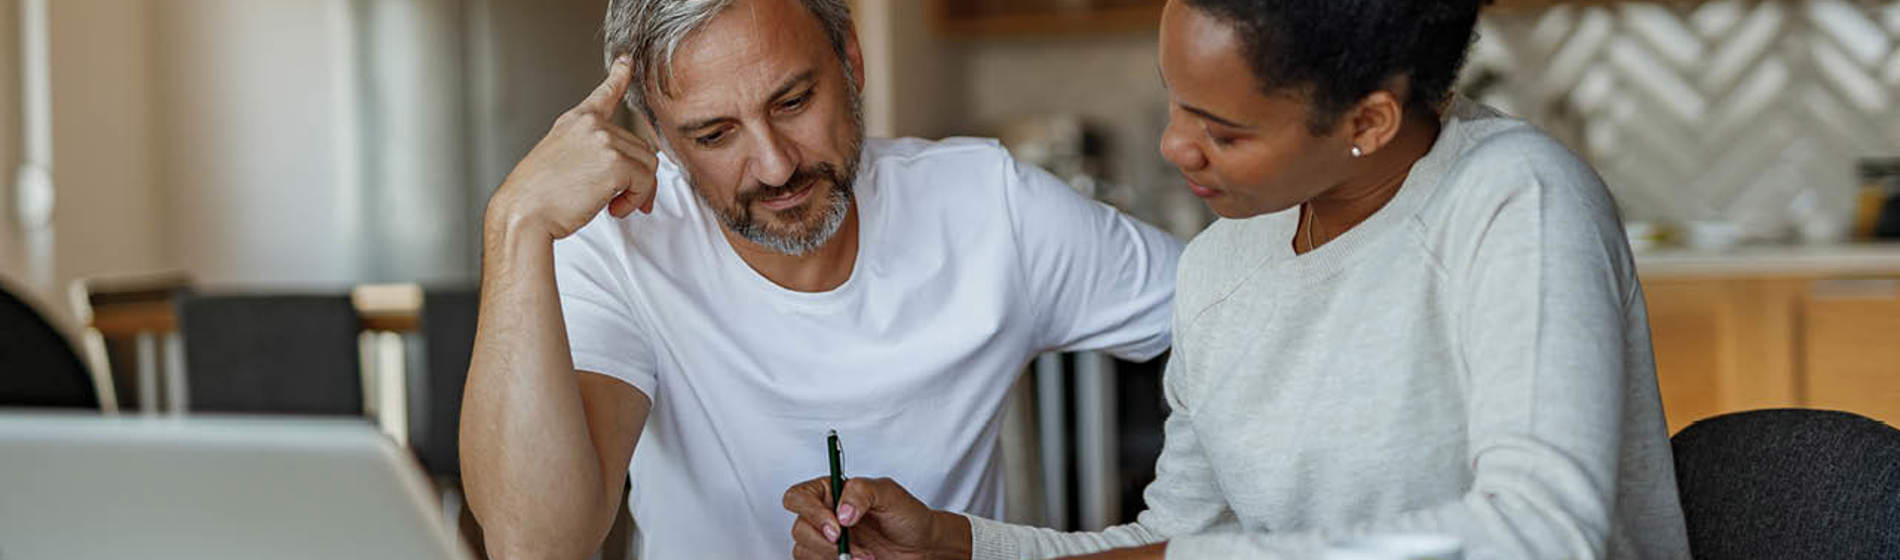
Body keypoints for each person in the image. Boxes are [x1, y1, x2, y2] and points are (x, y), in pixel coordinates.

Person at [781, 0, 1691, 558]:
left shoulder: (1513, 201)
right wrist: (961, 546)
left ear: (1366, 120)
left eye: (1224, 129)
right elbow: (1174, 539)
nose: (1177, 146)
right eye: (1176, 102)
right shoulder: (1225, 260)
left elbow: (1540, 537)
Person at [457, 0, 1183, 557]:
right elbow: (537, 546)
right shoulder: (620, 243)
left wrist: (1215, 518)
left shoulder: (989, 207)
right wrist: (515, 222)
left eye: (794, 102)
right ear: (658, 139)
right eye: (715, 135)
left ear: (852, 63)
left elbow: (1241, 306)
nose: (775, 166)